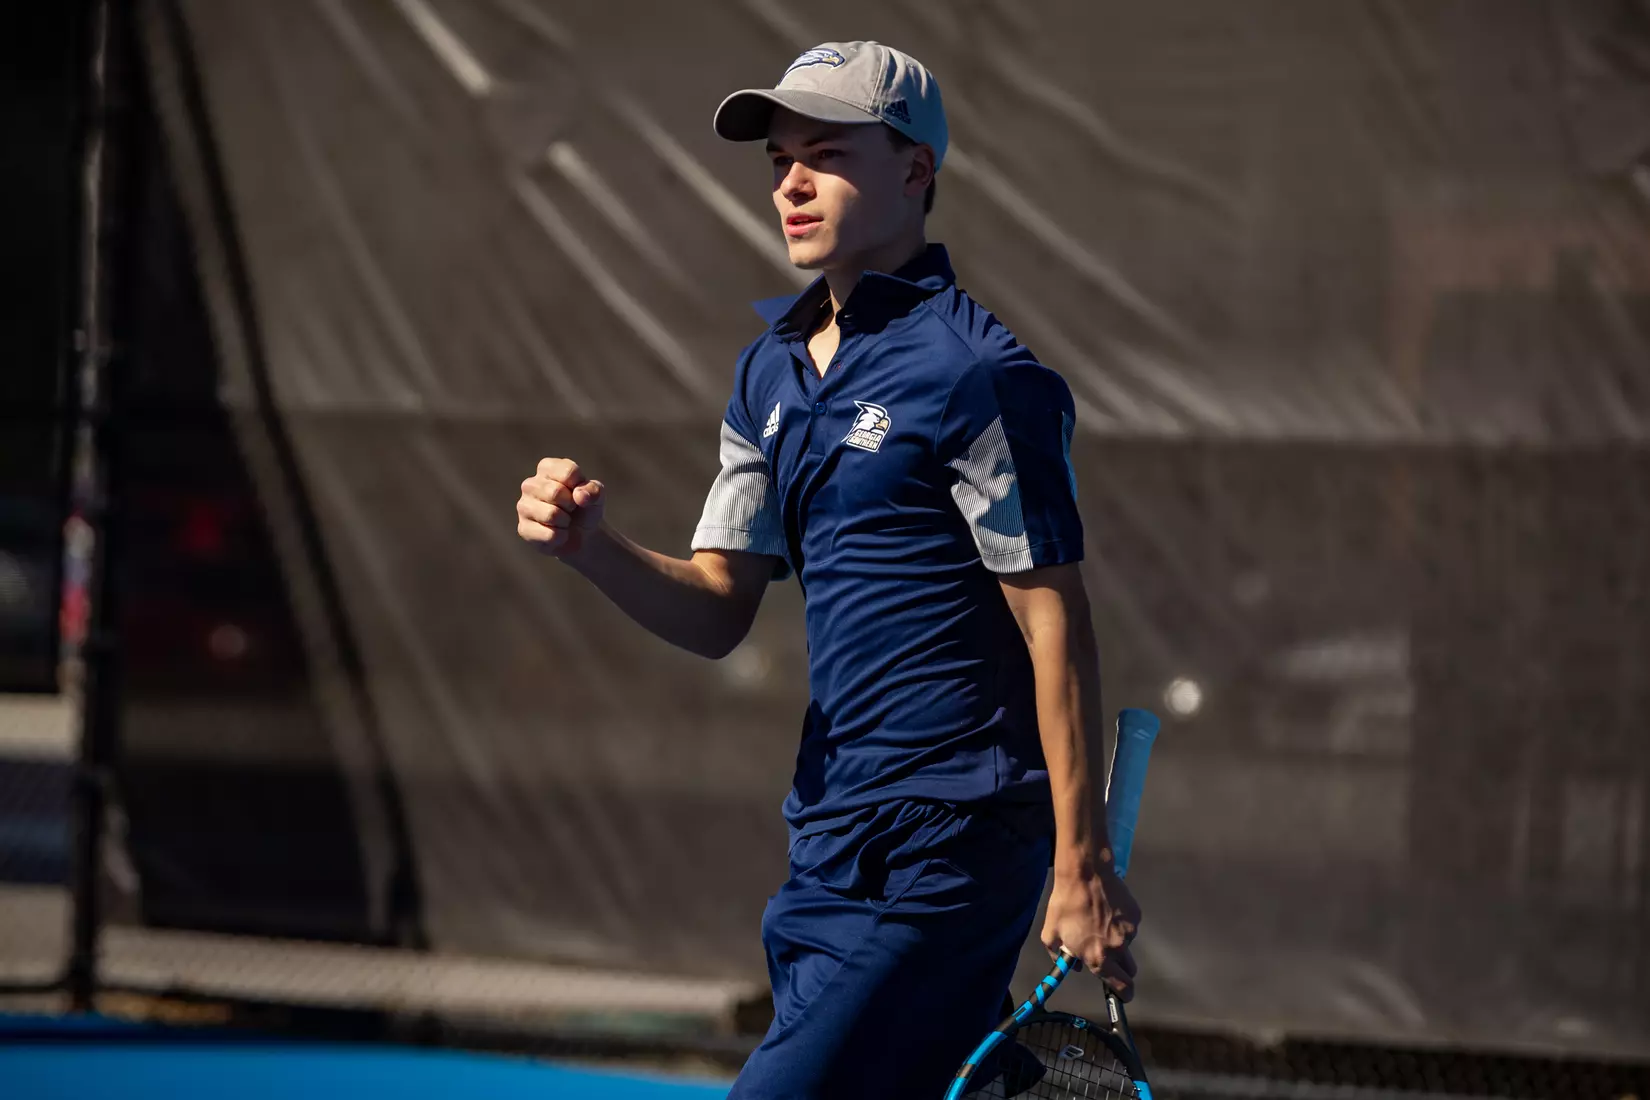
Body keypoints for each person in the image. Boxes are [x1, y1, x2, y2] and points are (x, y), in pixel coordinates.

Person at [515, 40, 1140, 1097]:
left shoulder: (980, 375)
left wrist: (1080, 860)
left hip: (952, 837)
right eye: (778, 161)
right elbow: (720, 605)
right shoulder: (768, 373)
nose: (791, 183)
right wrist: (594, 551)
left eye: (827, 155)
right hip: (829, 836)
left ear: (914, 172)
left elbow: (1052, 616)